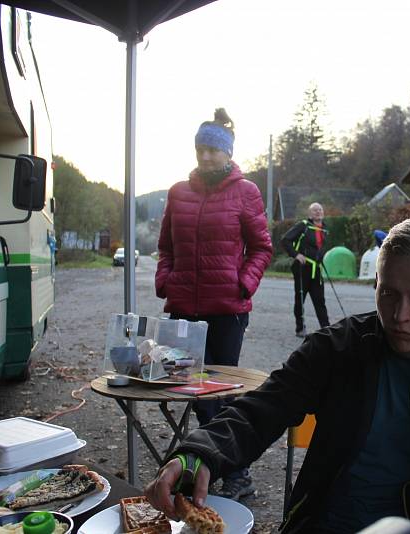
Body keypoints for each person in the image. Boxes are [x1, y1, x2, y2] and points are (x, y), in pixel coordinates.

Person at [146, 215, 410, 533]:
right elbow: (264, 407)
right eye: (387, 292)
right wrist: (201, 453)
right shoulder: (338, 348)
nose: (399, 314)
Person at [154, 108, 273, 500]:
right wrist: (165, 280)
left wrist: (244, 283)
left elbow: (261, 248)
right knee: (189, 387)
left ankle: (235, 473)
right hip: (183, 309)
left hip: (227, 311)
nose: (205, 157)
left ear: (228, 152)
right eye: (200, 149)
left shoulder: (247, 192)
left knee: (219, 392)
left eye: (213, 150)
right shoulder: (178, 192)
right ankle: (202, 464)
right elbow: (165, 248)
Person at [280, 202, 329, 337]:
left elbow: (320, 248)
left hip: (316, 269)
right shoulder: (303, 226)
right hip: (302, 268)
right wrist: (296, 255)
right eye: (314, 210)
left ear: (323, 213)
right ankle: (300, 328)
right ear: (309, 214)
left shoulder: (325, 229)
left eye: (320, 209)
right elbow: (285, 240)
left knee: (320, 300)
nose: (318, 212)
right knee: (300, 298)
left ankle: (327, 329)